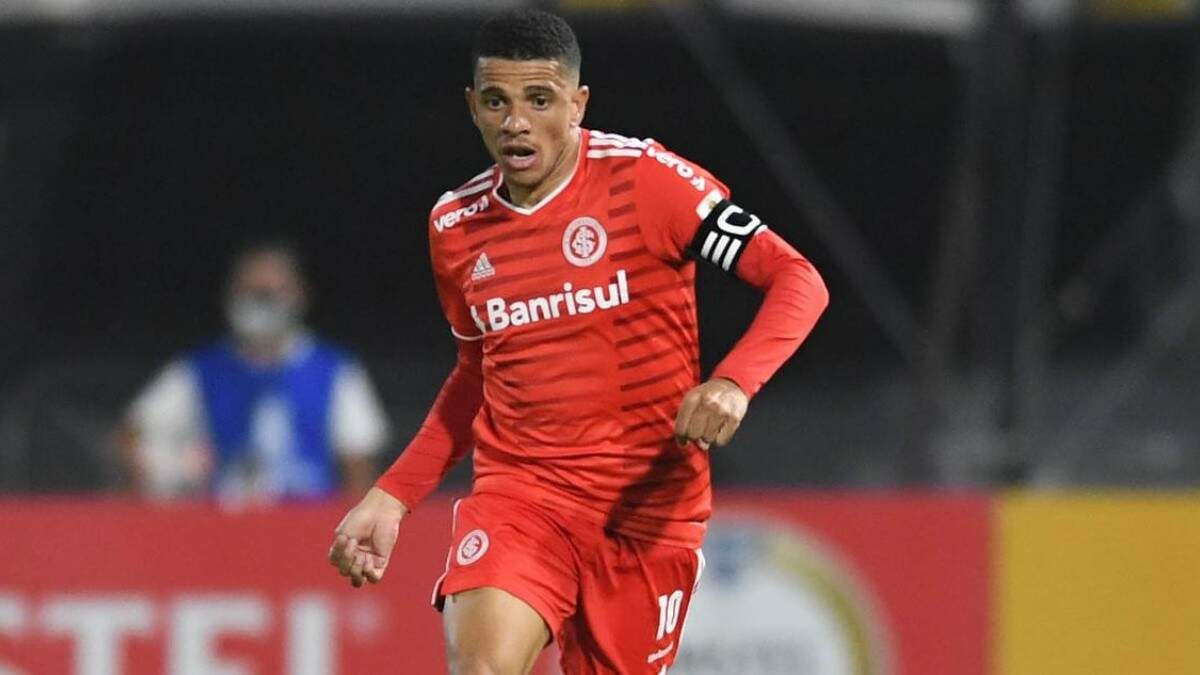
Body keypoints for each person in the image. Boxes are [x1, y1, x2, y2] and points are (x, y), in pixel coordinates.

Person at [327, 9, 828, 674]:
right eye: (497, 102)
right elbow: (477, 375)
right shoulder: (456, 225)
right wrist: (393, 495)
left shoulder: (647, 179)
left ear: (578, 103)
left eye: (539, 100)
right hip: (524, 496)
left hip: (648, 512)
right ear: (473, 107)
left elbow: (797, 279)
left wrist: (734, 382)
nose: (516, 122)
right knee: (482, 667)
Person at [119, 241, 390, 502]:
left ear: (300, 295)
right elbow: (134, 434)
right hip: (220, 520)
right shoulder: (199, 370)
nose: (260, 306)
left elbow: (359, 462)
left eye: (269, 295)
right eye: (250, 294)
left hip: (309, 520)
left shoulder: (335, 370)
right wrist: (169, 477)